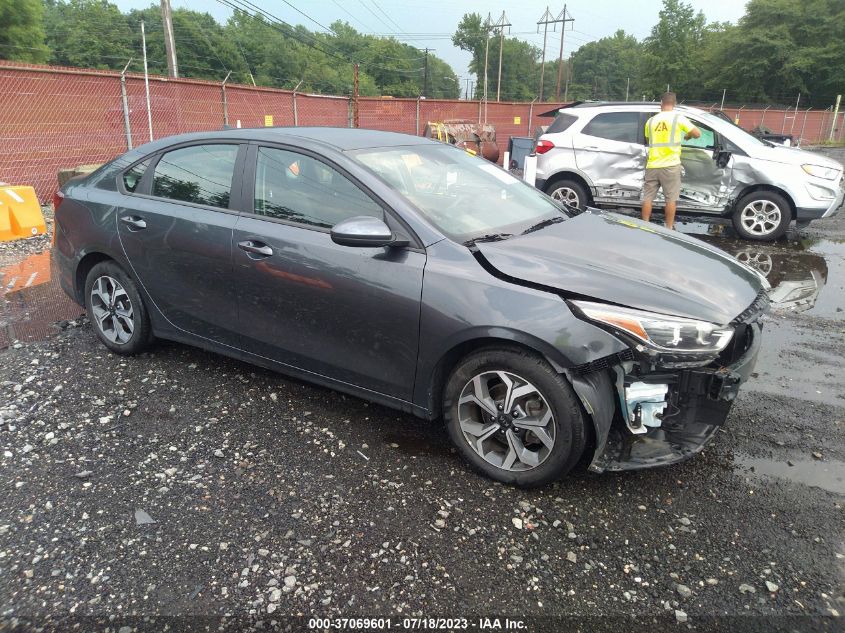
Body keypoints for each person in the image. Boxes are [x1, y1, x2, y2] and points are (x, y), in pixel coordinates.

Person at [641, 92, 700, 230]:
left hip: (653, 164)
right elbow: (697, 133)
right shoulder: (678, 118)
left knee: (648, 198)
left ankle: (644, 225)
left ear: (661, 103)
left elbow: (649, 139)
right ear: (674, 104)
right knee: (671, 199)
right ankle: (668, 228)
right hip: (671, 165)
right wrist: (687, 136)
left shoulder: (651, 121)